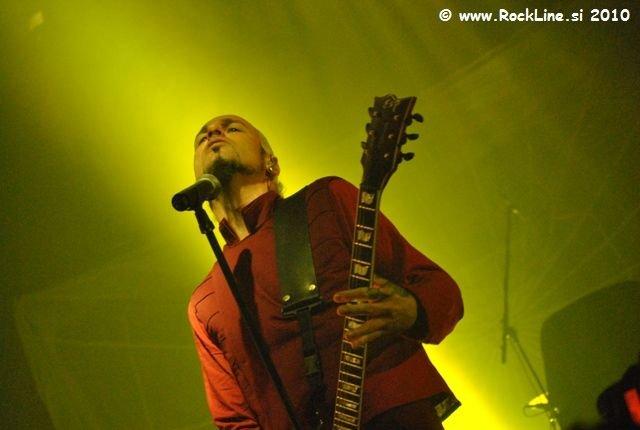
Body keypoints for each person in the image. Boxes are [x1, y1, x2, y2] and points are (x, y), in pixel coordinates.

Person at [187, 114, 464, 429]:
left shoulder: (325, 201)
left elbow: (438, 288)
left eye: (232, 128)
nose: (214, 133)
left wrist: (412, 309)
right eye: (202, 137)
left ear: (270, 163)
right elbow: (233, 419)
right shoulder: (204, 303)